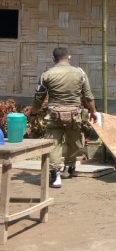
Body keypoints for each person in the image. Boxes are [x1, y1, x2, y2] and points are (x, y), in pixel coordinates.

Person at [27, 47, 98, 188]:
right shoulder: (80, 73)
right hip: (75, 115)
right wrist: (93, 111)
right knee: (75, 141)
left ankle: (55, 176)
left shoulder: (46, 74)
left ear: (54, 59)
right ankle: (69, 167)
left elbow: (38, 98)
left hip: (54, 116)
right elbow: (88, 96)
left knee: (54, 145)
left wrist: (33, 114)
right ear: (69, 57)